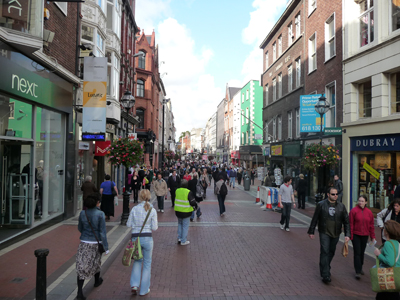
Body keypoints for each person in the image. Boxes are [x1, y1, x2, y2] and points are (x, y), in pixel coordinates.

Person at [308, 187, 351, 284]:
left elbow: (346, 222)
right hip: (324, 232)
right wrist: (311, 231)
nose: (335, 196)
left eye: (336, 194)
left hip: (335, 233)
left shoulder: (341, 206)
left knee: (331, 252)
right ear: (328, 194)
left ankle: (325, 265)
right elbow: (315, 218)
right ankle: (325, 274)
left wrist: (347, 234)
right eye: (333, 194)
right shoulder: (321, 205)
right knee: (324, 251)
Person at [76, 193, 108, 300]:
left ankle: (79, 291)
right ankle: (97, 281)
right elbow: (103, 232)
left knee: (81, 266)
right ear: (96, 203)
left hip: (84, 242)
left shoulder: (82, 213)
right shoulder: (100, 214)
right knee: (96, 261)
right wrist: (106, 247)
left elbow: (80, 228)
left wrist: (85, 233)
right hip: (96, 242)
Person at [127, 189, 158, 296]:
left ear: (140, 197)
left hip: (136, 238)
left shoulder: (134, 209)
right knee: (147, 264)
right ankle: (144, 289)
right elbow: (155, 227)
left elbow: (128, 224)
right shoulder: (152, 210)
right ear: (149, 197)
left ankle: (134, 285)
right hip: (148, 238)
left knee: (137, 261)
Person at [349, 195, 376, 279]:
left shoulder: (369, 212)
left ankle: (360, 267)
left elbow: (371, 225)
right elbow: (350, 224)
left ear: (366, 202)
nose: (360, 202)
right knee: (357, 252)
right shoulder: (353, 211)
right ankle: (357, 271)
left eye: (362, 201)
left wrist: (372, 237)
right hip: (356, 235)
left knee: (362, 252)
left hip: (365, 235)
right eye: (359, 201)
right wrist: (351, 236)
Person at [374, 220, 400, 300]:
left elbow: (390, 262)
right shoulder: (397, 243)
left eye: (384, 228)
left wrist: (379, 254)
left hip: (388, 277)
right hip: (396, 276)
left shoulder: (388, 244)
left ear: (387, 232)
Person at [174, 180, 197, 245]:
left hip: (178, 211)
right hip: (186, 212)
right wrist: (195, 206)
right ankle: (183, 241)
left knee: (179, 224)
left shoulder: (177, 191)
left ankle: (179, 238)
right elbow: (192, 202)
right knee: (185, 226)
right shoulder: (188, 192)